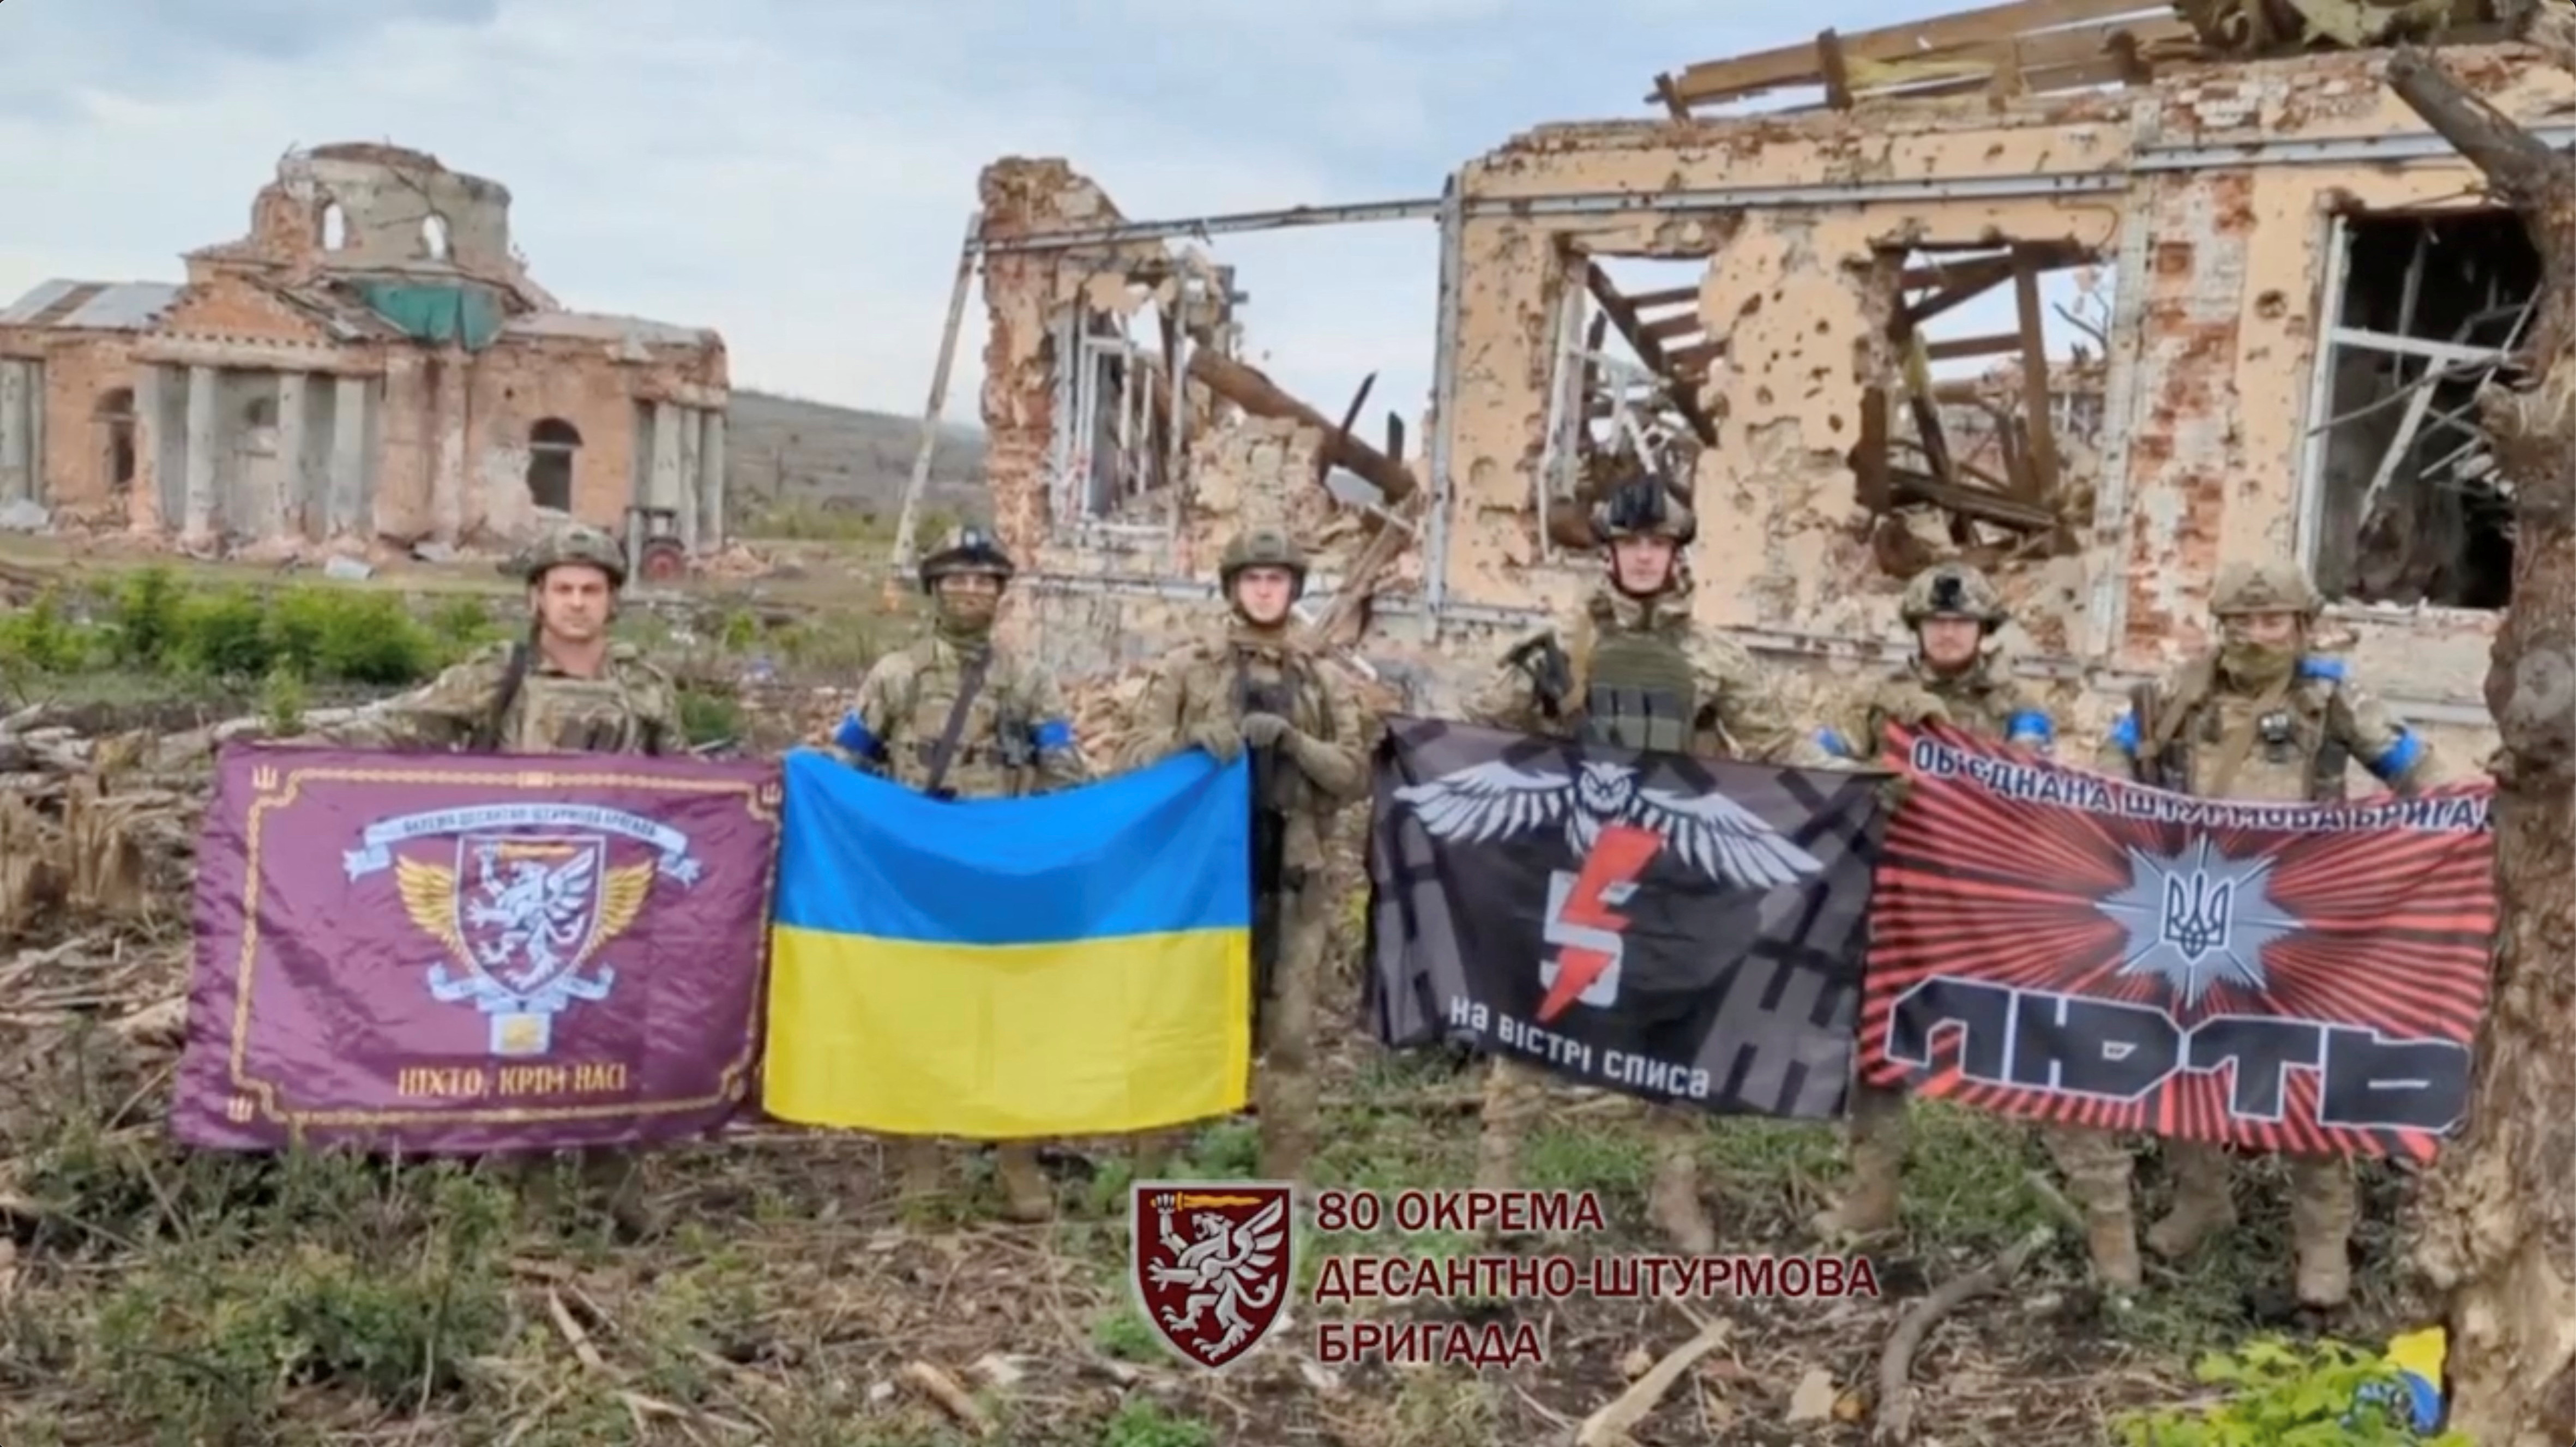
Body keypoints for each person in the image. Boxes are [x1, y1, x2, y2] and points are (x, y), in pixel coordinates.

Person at [1463, 471, 1844, 1253]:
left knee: (1680, 1023)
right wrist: (1533, 693)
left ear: (1676, 555)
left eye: (1656, 544)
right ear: (1608, 553)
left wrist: (1856, 789)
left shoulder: (1715, 655)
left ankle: (1676, 1194)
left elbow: (1778, 745)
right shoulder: (1563, 643)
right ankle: (1496, 1191)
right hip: (1578, 863)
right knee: (1532, 1018)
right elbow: (1472, 721)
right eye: (1629, 543)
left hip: (1676, 871)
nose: (1643, 557)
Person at [283, 522, 682, 1237]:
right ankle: (514, 1195)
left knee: (610, 1040)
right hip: (506, 892)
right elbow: (403, 724)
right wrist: (291, 745)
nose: (578, 603)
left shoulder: (646, 686)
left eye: (593, 590)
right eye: (563, 589)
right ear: (537, 597)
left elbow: (691, 792)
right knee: (517, 1041)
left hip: (611, 893)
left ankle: (612, 1187)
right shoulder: (498, 673)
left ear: (613, 602)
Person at [2086, 558, 2436, 1309]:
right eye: (2240, 623)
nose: (2254, 634)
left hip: (2299, 914)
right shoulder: (2178, 691)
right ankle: (2202, 1199)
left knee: (2306, 1075)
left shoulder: (2329, 693)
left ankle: (2322, 1242)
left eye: (2271, 621)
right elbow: (2111, 762)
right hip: (2195, 909)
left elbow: (2416, 770)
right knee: (2181, 1060)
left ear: (2301, 625)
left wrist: (2451, 823)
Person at [1804, 563, 2141, 1274]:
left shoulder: (2020, 703)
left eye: (1961, 624)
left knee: (2047, 1053)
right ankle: (1873, 1199)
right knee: (1876, 1050)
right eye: (1936, 623)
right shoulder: (1876, 699)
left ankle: (2113, 1236)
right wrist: (1871, 781)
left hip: (1989, 912)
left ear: (1984, 634)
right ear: (1919, 630)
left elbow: (2021, 777)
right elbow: (1819, 759)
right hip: (1898, 905)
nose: (1948, 633)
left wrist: (1938, 772)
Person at [824, 524, 1090, 1222]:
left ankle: (1017, 1161)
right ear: (934, 588)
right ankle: (921, 1169)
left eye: (984, 580)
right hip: (918, 876)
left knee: (1010, 1018)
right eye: (956, 579)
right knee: (917, 1018)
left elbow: (1065, 769)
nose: (970, 590)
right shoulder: (897, 673)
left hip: (1003, 874)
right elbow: (846, 765)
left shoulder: (1026, 679)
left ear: (1000, 593)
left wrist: (1072, 833)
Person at [1116, 527, 1369, 1187]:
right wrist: (1191, 742)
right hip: (1200, 878)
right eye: (1253, 579)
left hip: (1293, 872)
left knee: (1288, 1037)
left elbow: (1354, 772)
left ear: (1293, 590)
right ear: (1233, 587)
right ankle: (1155, 1169)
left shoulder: (1320, 677)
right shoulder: (1187, 667)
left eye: (1277, 580)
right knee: (1182, 1020)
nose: (1264, 590)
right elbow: (1131, 757)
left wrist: (1293, 743)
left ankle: (1284, 1180)